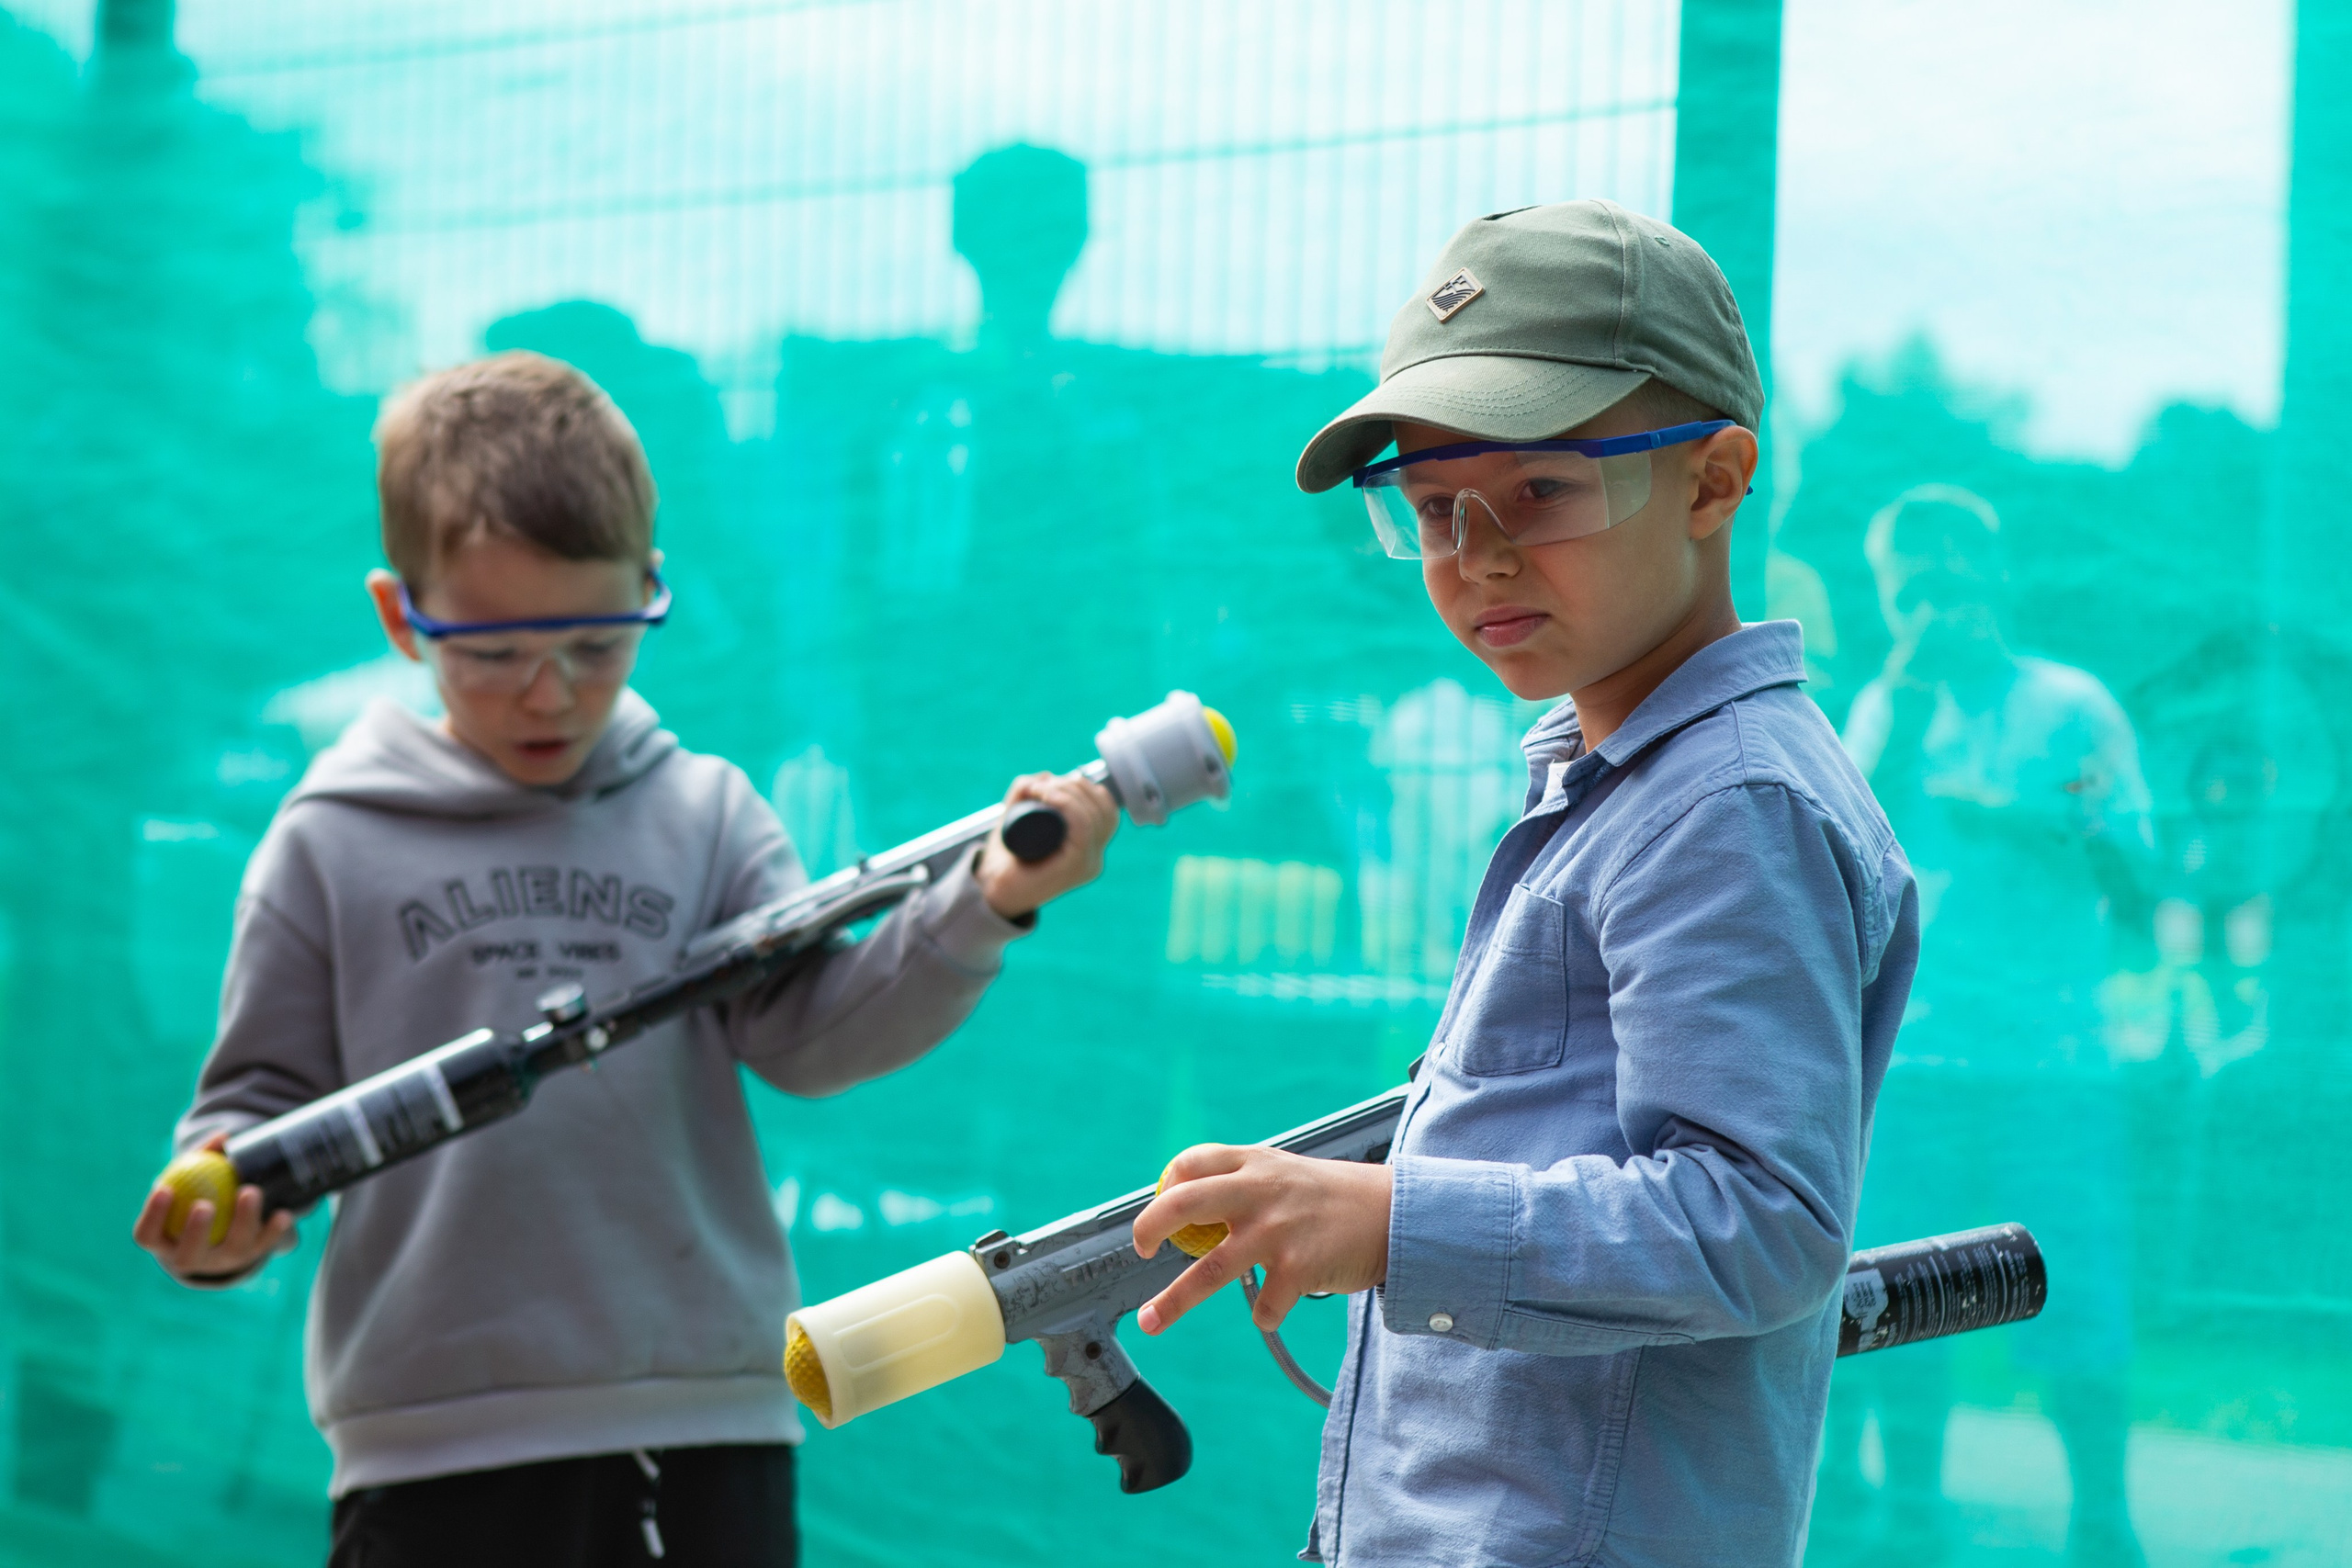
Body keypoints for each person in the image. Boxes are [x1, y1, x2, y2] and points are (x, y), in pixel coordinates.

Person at [128, 351, 1118, 1567]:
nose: (550, 693)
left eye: (596, 643)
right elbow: (251, 1110)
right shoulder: (327, 841)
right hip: (430, 1448)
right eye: (494, 652)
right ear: (400, 616)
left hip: (702, 1426)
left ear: (651, 586)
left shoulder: (704, 813)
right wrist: (219, 1220)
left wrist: (988, 902)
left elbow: (812, 1035)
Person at [1130, 200, 1919, 1566]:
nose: (1478, 553)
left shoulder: (1728, 804)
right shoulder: (1620, 777)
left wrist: (1391, 1222)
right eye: (1434, 508)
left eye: (1544, 490)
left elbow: (1759, 1220)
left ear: (1714, 481)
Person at [1833, 484, 2152, 1567]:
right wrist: (1901, 708)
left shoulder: (2070, 705)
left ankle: (2101, 1520)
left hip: (2051, 1062)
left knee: (2075, 1285)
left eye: (1950, 577)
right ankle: (1912, 1516)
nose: (1931, 606)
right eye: (1908, 588)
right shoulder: (1881, 711)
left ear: (1996, 576)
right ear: (1885, 598)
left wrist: (2017, 825)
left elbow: (2137, 876)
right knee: (1901, 1289)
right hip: (1912, 1059)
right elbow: (1838, 863)